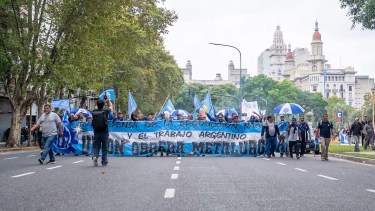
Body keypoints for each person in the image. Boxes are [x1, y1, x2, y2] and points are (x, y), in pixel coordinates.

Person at [91, 98, 113, 166]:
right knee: (104, 146)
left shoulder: (94, 111)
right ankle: (104, 161)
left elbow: (96, 107)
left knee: (96, 146)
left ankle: (95, 156)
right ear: (103, 105)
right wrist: (109, 99)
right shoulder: (105, 110)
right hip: (104, 131)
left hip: (96, 131)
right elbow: (111, 106)